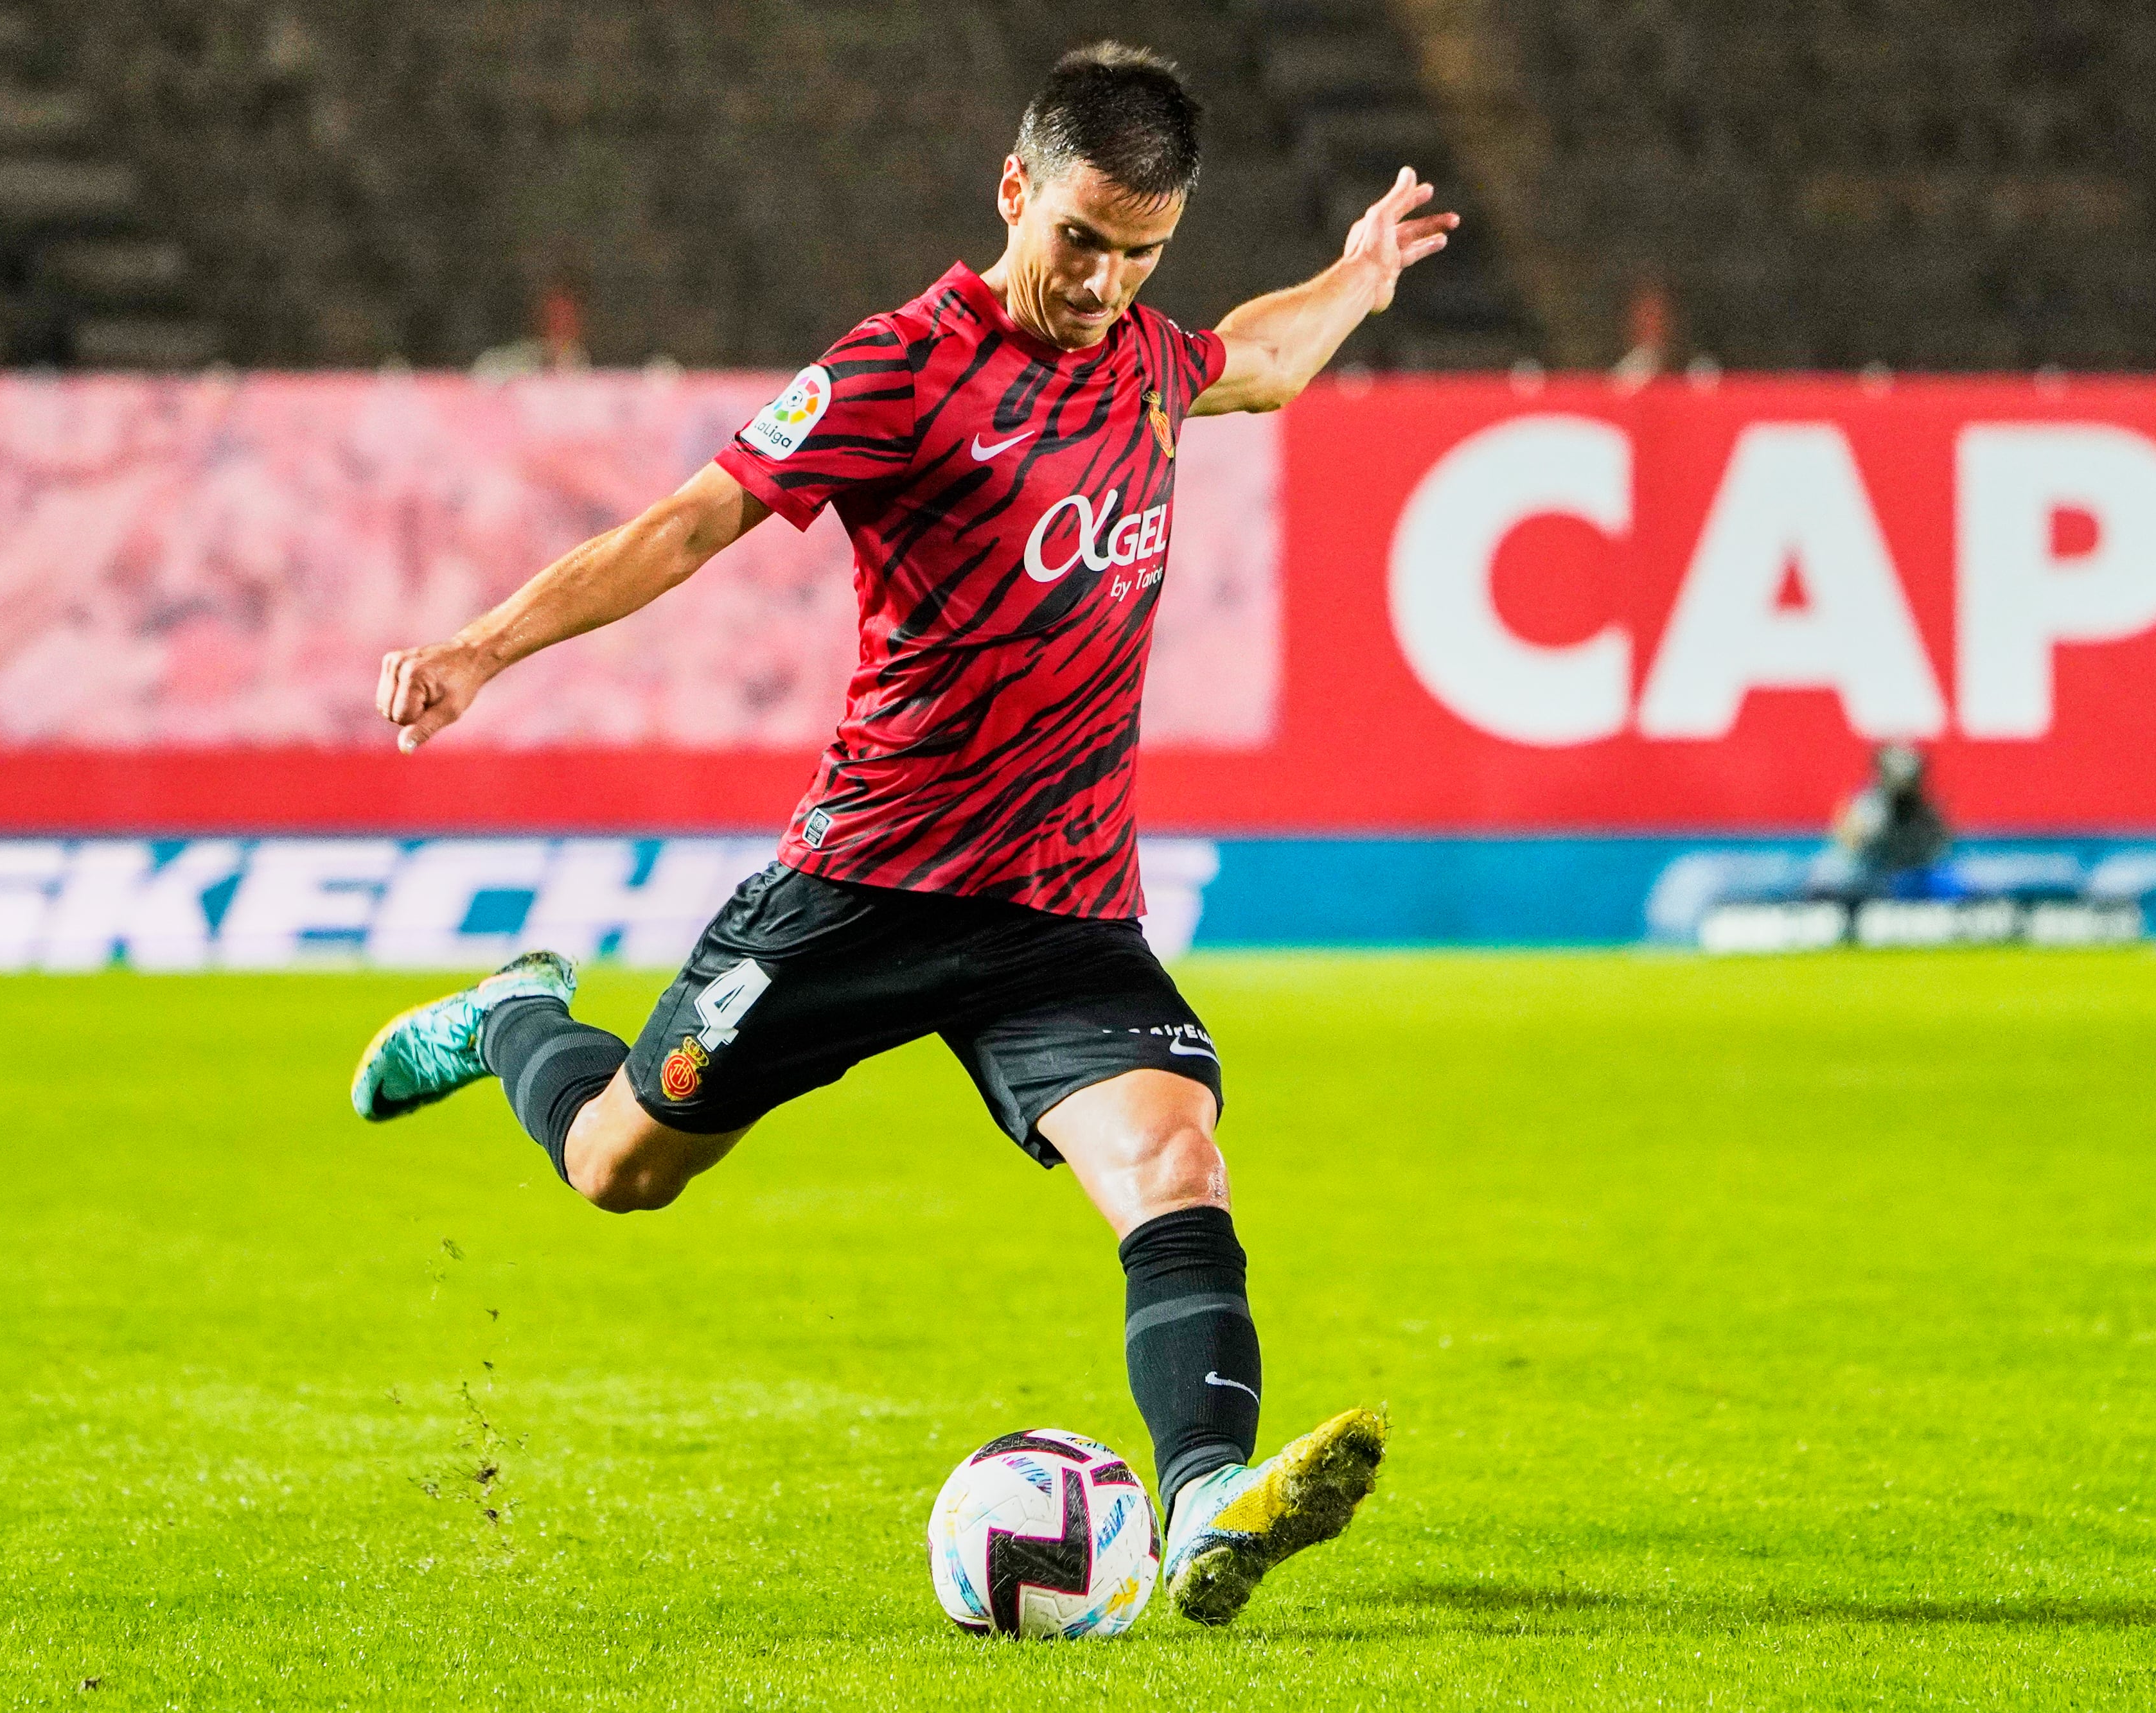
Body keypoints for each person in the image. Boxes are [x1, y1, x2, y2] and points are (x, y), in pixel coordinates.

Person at [349, 42, 1457, 1628]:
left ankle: (1208, 1492)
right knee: (617, 1169)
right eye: (1079, 240)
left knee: (1173, 1159)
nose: (1100, 283)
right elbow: (688, 525)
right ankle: (519, 1010)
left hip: (1057, 912)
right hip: (854, 892)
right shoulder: (896, 369)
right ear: (1015, 191)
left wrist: (1355, 275)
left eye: (1138, 253)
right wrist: (478, 649)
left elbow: (1257, 360)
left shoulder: (1144, 355)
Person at [1821, 742, 1960, 900]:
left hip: (1916, 877)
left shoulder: (1931, 811)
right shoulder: (1865, 806)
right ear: (1882, 773)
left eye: (1908, 778)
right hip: (1870, 876)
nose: (1902, 786)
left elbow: (1941, 851)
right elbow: (1848, 848)